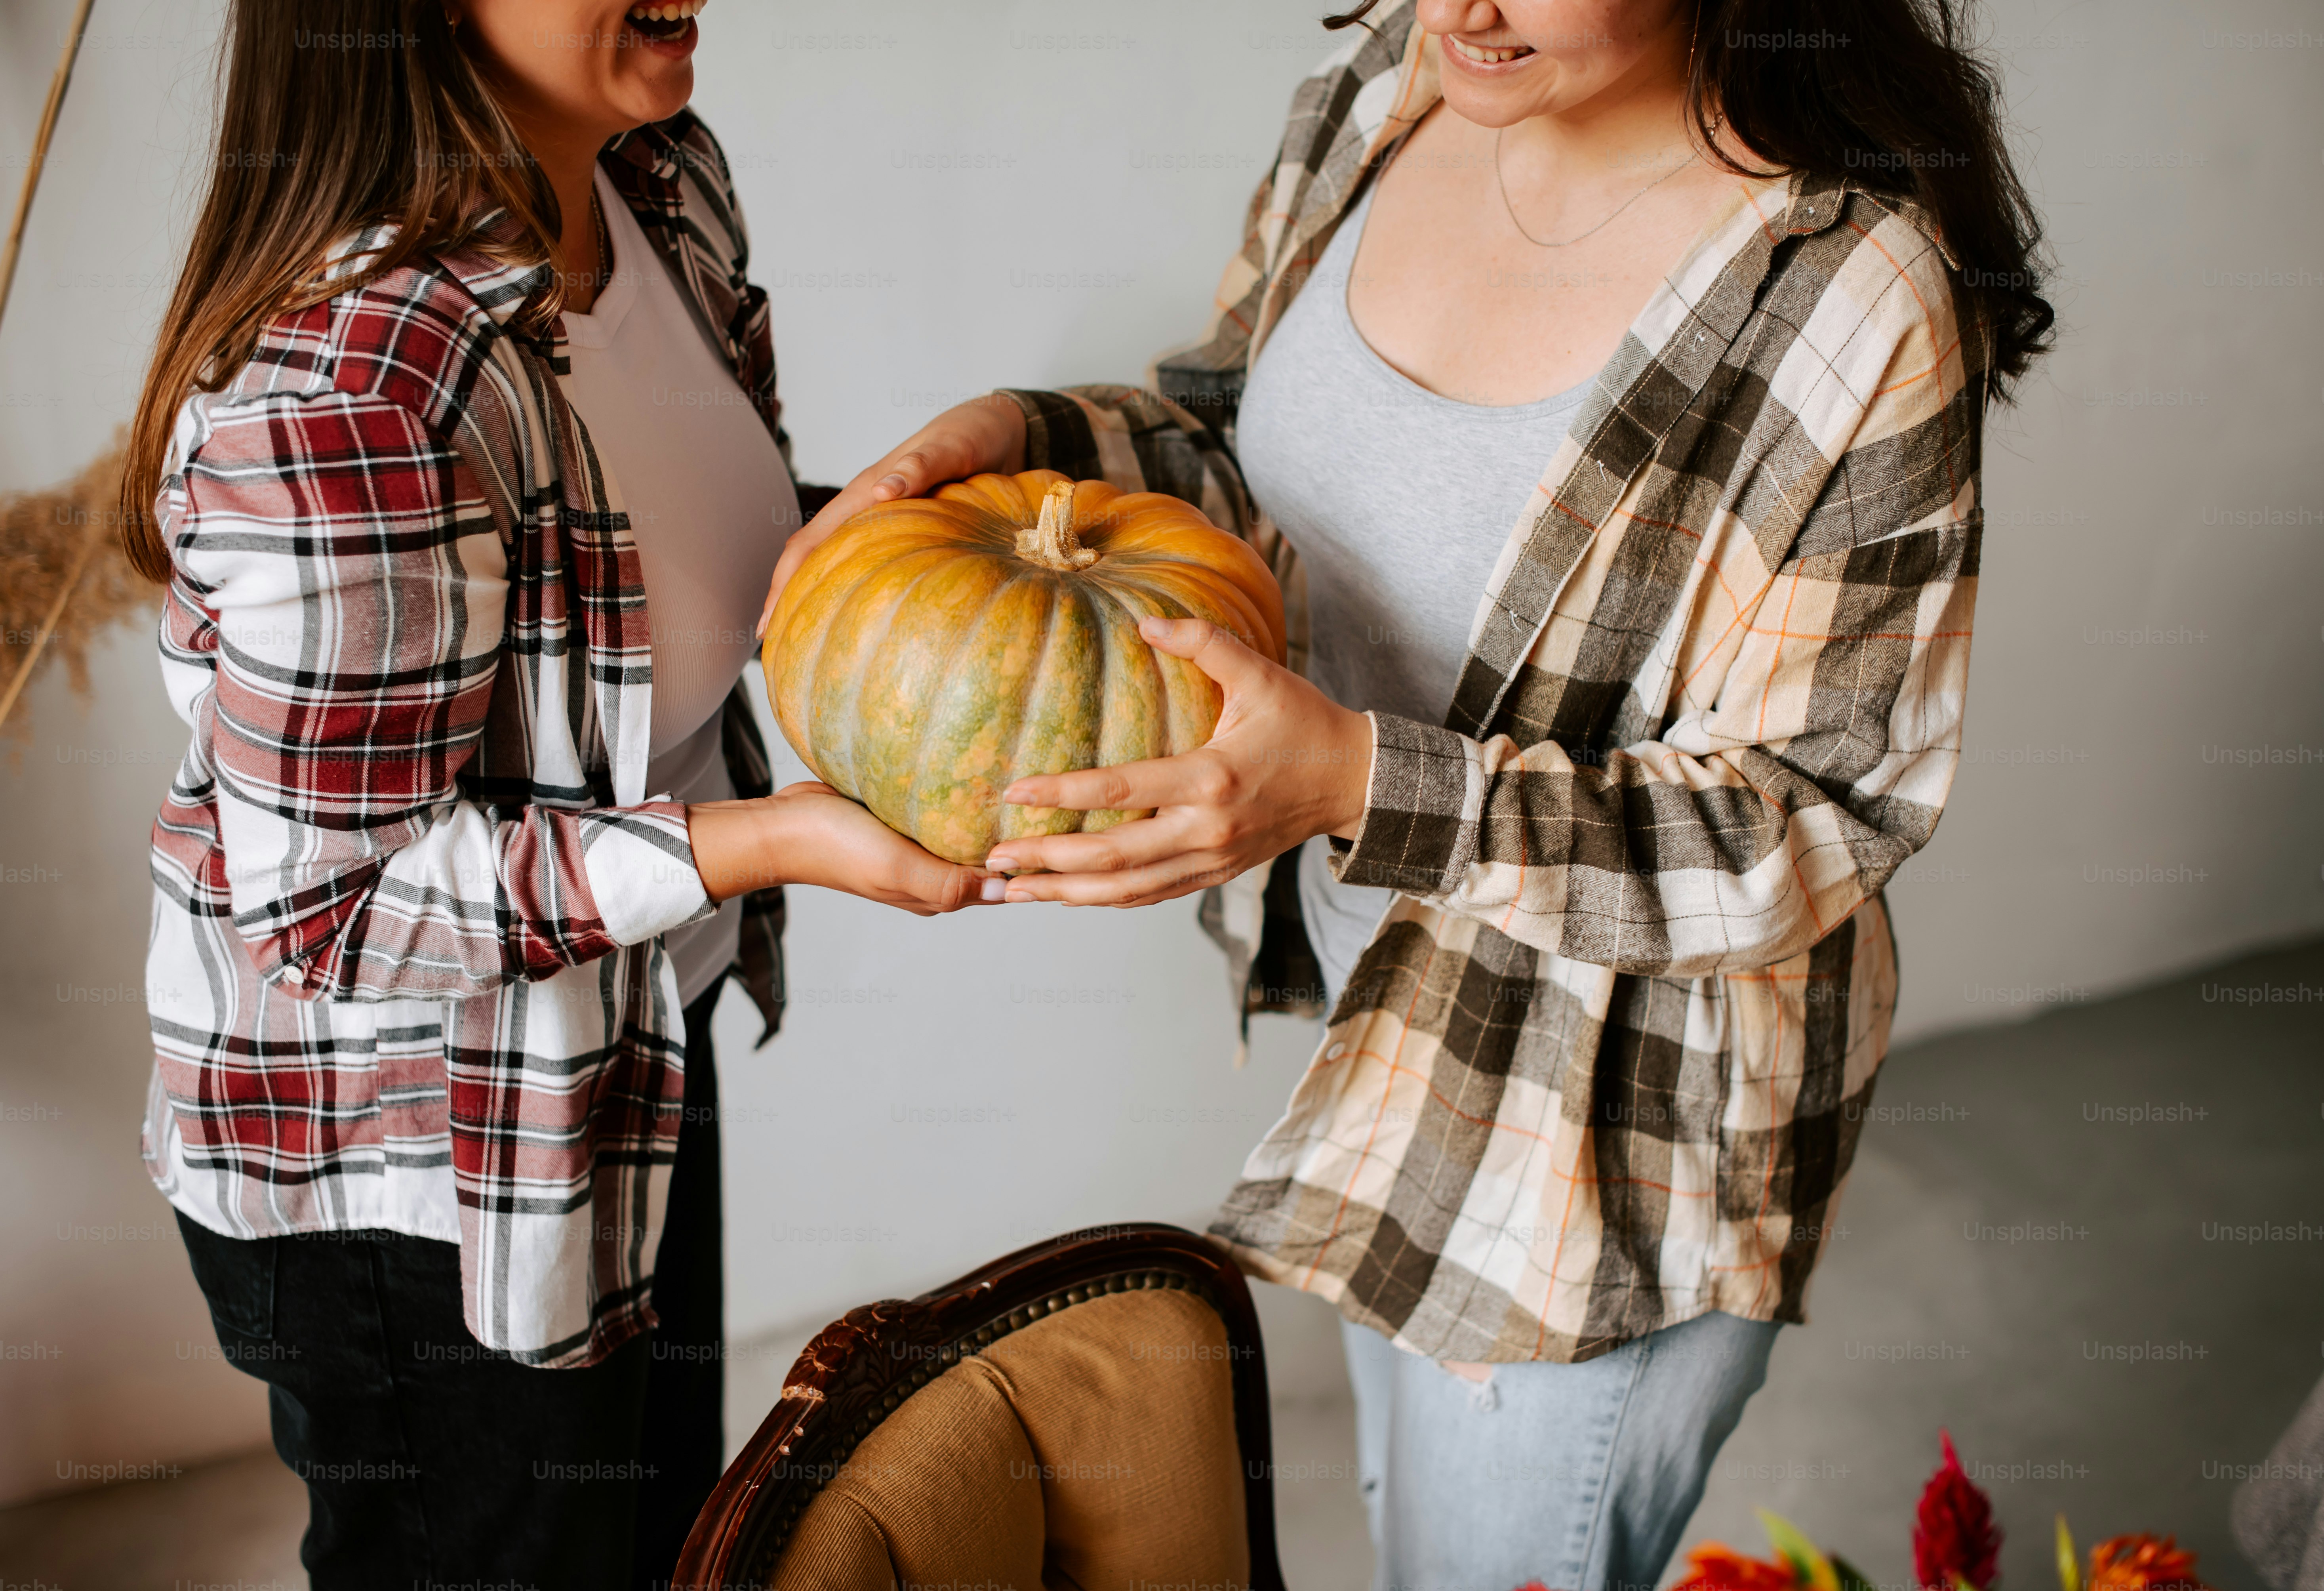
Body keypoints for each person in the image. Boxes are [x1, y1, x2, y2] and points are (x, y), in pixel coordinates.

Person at [773, 0, 2052, 1582]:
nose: (1464, 5)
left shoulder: (1851, 297)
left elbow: (1813, 815)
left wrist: (1359, 784)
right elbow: (1245, 435)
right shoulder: (1391, 79)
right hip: (1389, 1033)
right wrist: (1033, 437)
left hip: (1598, 1138)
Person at [122, 4, 997, 1587]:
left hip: (633, 1027)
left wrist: (948, 581)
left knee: (665, 1544)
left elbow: (636, 572)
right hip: (411, 1164)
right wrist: (779, 838)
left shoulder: (652, 184)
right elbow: (335, 912)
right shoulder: (345, 390)